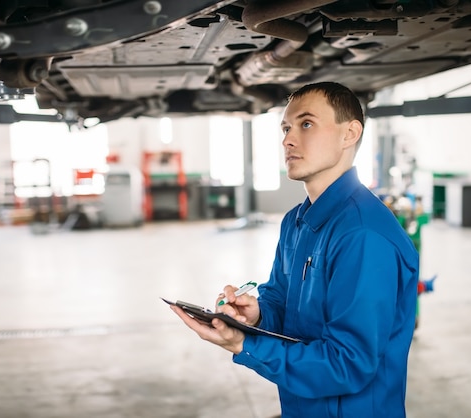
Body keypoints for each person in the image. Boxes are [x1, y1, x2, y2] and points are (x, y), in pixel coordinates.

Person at [170, 82, 419, 417]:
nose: (288, 139)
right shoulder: (297, 221)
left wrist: (246, 344)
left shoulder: (363, 236)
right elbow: (283, 301)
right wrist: (255, 314)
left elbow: (349, 364)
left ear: (350, 134)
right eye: (286, 128)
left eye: (306, 124)